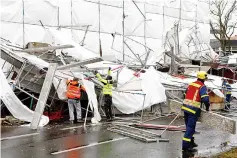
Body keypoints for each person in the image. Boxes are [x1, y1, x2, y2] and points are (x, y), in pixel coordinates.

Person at [182, 71, 210, 153]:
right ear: (203, 78)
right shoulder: (202, 86)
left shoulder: (191, 84)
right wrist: (207, 106)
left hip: (185, 107)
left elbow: (184, 93)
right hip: (193, 110)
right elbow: (205, 99)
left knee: (189, 127)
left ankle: (191, 142)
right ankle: (186, 148)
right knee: (190, 129)